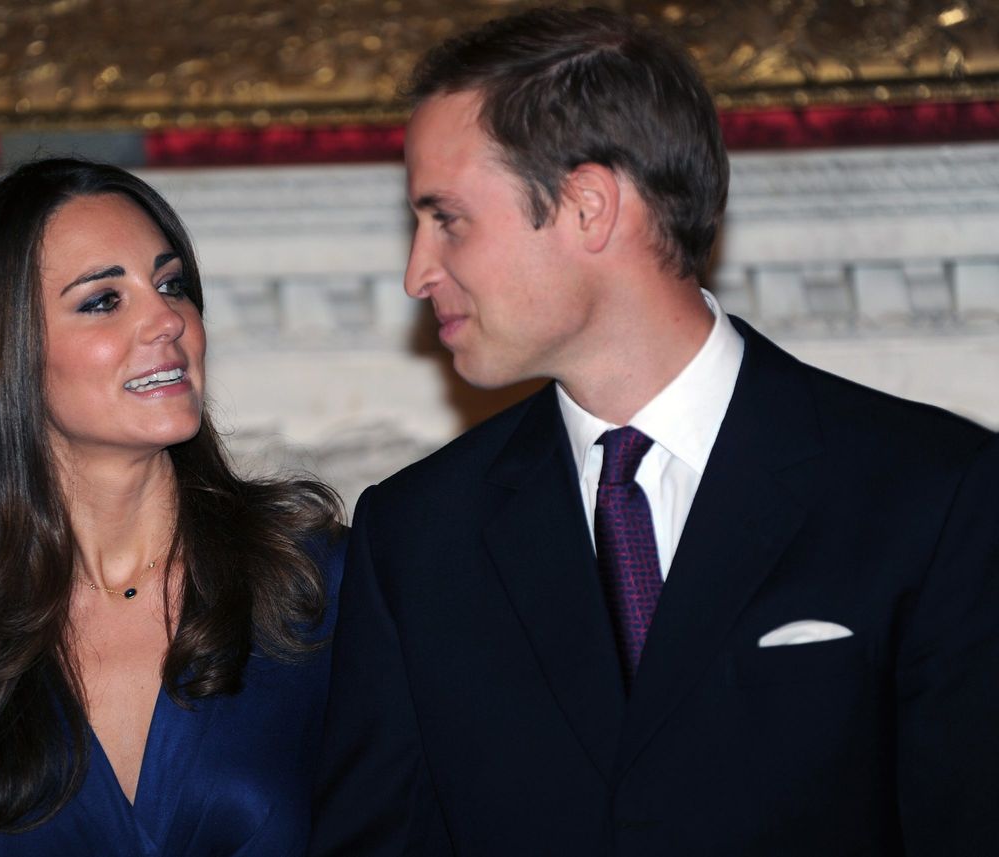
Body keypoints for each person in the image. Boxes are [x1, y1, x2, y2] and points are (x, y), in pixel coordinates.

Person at [310, 7, 999, 856]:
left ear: (589, 207)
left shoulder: (934, 492)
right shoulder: (415, 535)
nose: (418, 272)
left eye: (447, 217)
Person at [0, 157, 344, 856]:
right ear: (2, 357)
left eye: (172, 284)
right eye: (103, 300)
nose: (167, 318)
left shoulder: (319, 583)